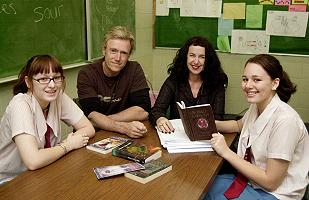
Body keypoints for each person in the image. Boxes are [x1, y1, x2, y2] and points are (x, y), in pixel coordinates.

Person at [205, 54, 309, 200]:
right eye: (245, 79)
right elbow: (238, 125)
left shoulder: (286, 120)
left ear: (275, 83)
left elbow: (270, 182)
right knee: (204, 186)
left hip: (275, 193)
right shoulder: (257, 106)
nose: (248, 85)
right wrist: (207, 123)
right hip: (252, 181)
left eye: (257, 80)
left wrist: (226, 152)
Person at [0, 55, 95, 184]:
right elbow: (33, 161)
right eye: (43, 79)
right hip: (10, 181)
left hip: (43, 171)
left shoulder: (57, 95)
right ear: (28, 82)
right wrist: (69, 145)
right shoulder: (20, 105)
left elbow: (88, 128)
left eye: (56, 78)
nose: (52, 85)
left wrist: (72, 141)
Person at [77, 26, 151, 138]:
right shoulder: (87, 73)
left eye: (124, 53)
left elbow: (143, 110)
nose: (118, 58)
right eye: (113, 51)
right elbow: (92, 115)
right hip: (93, 135)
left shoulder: (134, 69)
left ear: (129, 55)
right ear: (104, 50)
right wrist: (123, 127)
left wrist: (104, 121)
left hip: (120, 134)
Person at [150, 36, 227, 133]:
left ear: (208, 60)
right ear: (185, 57)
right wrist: (160, 119)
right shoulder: (174, 80)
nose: (196, 61)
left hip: (206, 136)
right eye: (192, 55)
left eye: (202, 57)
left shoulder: (217, 83)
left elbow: (218, 118)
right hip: (177, 136)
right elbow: (156, 110)